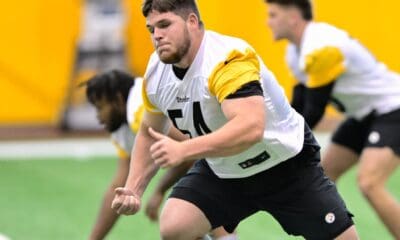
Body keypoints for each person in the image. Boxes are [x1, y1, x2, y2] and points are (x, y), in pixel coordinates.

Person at [111, 0, 359, 239]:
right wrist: (134, 188)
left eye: (165, 25)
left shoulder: (228, 58)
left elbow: (251, 128)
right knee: (175, 226)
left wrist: (184, 149)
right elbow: (148, 132)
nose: (157, 35)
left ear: (192, 21)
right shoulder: (156, 73)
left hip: (283, 162)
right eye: (151, 29)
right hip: (224, 170)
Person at [265, 0, 400, 238]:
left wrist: (277, 146)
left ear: (293, 17)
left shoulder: (320, 46)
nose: (268, 22)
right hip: (363, 114)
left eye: (273, 15)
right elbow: (297, 109)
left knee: (370, 182)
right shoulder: (295, 52)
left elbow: (314, 112)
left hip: (392, 108)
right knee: (324, 174)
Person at [84, 70, 235, 240]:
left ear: (118, 99)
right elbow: (118, 188)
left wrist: (159, 190)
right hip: (218, 158)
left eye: (100, 107)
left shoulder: (138, 113)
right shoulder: (122, 126)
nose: (98, 116)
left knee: (184, 220)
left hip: (230, 153)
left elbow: (192, 151)